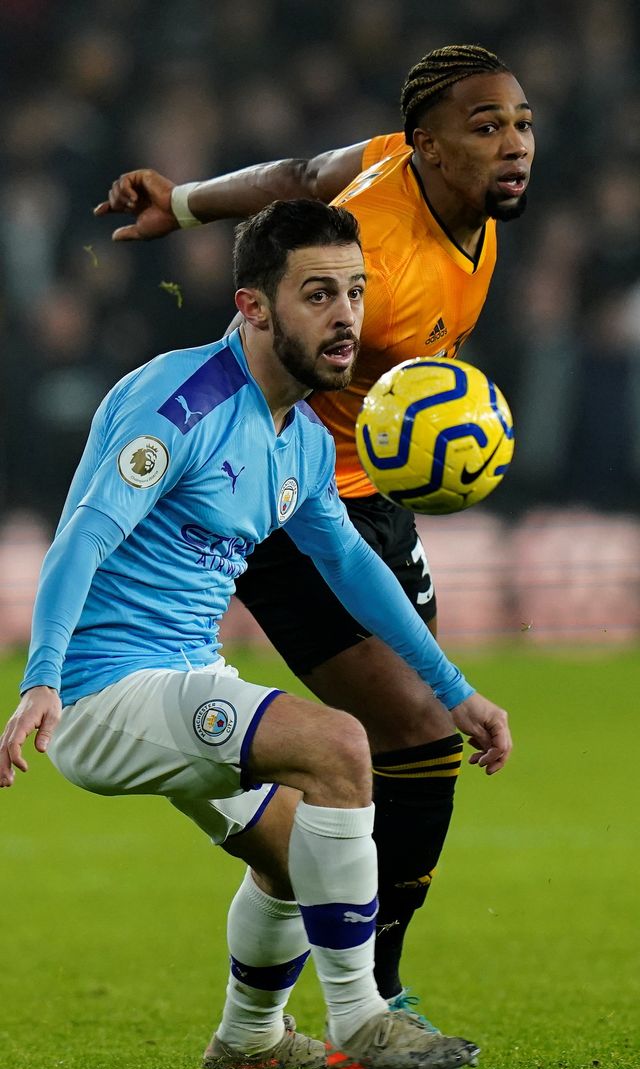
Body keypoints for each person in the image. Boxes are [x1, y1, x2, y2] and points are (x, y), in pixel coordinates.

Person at [0, 200, 510, 1069]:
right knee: (342, 744)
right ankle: (365, 1018)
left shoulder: (301, 439)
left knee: (289, 850)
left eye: (354, 290)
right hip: (101, 689)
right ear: (254, 307)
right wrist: (41, 679)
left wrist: (455, 690)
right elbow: (82, 534)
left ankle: (249, 1037)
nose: (346, 315)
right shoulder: (184, 399)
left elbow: (352, 568)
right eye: (318, 293)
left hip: (182, 675)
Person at [95, 43, 532, 1013]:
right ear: (428, 145)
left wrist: (190, 200)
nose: (513, 146)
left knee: (390, 749)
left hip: (369, 499)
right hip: (293, 506)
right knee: (419, 737)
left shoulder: (405, 172)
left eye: (520, 123)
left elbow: (294, 176)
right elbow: (255, 341)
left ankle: (276, 961)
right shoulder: (375, 242)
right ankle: (370, 996)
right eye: (486, 126)